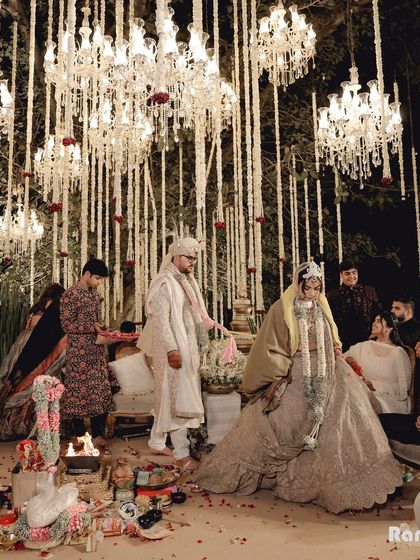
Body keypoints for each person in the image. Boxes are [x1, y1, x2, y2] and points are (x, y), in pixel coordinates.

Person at [195, 261, 402, 514]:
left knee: (345, 417)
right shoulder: (282, 308)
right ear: (299, 284)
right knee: (286, 421)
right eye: (308, 287)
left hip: (329, 368)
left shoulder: (321, 304)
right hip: (298, 370)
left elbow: (330, 332)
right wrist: (282, 370)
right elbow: (271, 345)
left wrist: (336, 348)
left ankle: (340, 481)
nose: (313, 293)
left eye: (317, 288)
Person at [138, 234, 209, 470]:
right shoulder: (164, 283)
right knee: (179, 400)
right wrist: (171, 350)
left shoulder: (186, 281)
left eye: (195, 258)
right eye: (188, 257)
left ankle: (156, 441)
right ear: (176, 255)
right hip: (173, 351)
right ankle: (181, 454)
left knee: (168, 397)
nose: (192, 262)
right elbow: (160, 321)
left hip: (187, 349)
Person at [0, 283, 66, 440]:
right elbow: (41, 332)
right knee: (34, 381)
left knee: (21, 380)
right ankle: (30, 425)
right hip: (36, 345)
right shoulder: (49, 307)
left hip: (22, 345)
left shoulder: (38, 306)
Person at [60, 258, 113, 446]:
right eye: (97, 278)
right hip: (78, 352)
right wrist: (92, 327)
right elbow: (67, 325)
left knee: (98, 390)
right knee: (77, 391)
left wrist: (101, 327)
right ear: (87, 274)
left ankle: (98, 434)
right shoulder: (70, 295)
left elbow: (95, 322)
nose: (99, 282)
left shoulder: (93, 294)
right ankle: (80, 434)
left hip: (95, 351)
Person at [344, 311, 414, 414]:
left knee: (362, 403)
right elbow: (342, 359)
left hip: (389, 400)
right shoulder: (363, 347)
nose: (373, 323)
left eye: (378, 321)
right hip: (360, 392)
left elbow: (402, 389)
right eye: (374, 320)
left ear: (389, 328)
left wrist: (375, 386)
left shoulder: (397, 353)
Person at [327, 259, 381, 351]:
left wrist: (375, 333)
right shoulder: (333, 295)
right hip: (343, 343)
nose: (352, 276)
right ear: (341, 275)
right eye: (347, 273)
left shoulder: (369, 290)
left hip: (368, 340)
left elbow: (379, 314)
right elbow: (329, 321)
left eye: (354, 272)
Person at [391, 295, 420, 413]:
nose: (392, 311)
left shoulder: (418, 328)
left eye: (397, 308)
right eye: (392, 307)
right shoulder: (392, 327)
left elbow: (404, 346)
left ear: (407, 312)